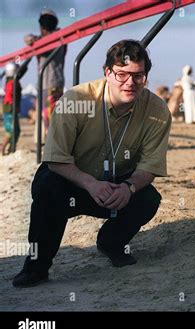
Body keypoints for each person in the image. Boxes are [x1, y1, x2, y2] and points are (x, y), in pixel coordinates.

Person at [12, 40, 171, 288]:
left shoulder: (157, 110)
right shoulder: (76, 99)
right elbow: (56, 159)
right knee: (47, 187)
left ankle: (111, 242)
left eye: (138, 76)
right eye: (122, 74)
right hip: (72, 180)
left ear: (145, 77)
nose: (130, 83)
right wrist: (90, 184)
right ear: (107, 72)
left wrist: (128, 187)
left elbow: (150, 166)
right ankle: (36, 267)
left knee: (148, 199)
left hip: (117, 184)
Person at [24, 9, 67, 137]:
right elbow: (27, 38)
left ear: (42, 27)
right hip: (51, 83)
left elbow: (28, 39)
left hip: (49, 84)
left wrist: (34, 39)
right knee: (50, 117)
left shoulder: (54, 40)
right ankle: (52, 147)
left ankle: (53, 149)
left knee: (50, 118)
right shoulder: (60, 37)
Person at [2, 62, 23, 155]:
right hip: (10, 108)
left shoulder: (12, 80)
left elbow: (21, 73)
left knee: (17, 131)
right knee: (11, 131)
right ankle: (3, 149)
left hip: (11, 108)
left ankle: (11, 148)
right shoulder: (11, 82)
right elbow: (10, 93)